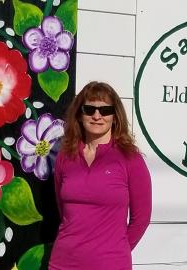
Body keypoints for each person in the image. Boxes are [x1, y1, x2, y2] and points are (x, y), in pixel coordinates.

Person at [48, 81, 152, 270]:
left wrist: (115, 251)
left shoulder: (130, 158)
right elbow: (62, 209)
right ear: (80, 114)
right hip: (63, 262)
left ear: (115, 116)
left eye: (105, 110)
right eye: (90, 109)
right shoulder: (66, 156)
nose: (97, 116)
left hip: (110, 263)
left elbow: (141, 218)